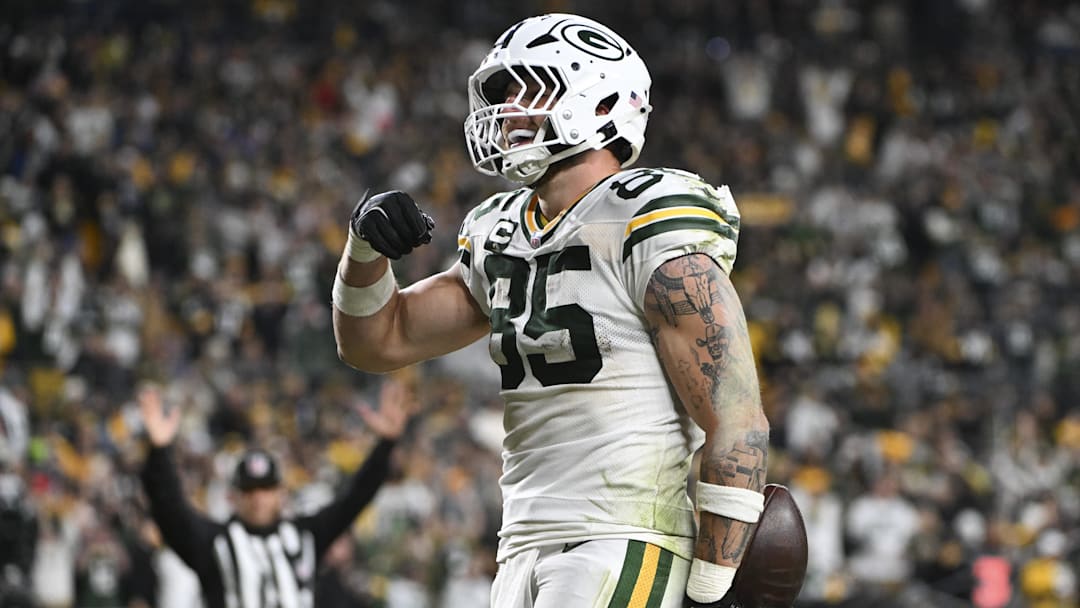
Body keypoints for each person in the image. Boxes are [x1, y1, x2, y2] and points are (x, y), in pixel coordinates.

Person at [332, 13, 769, 608]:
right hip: (522, 546)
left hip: (625, 538)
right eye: (504, 92)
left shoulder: (648, 216)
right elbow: (375, 343)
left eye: (526, 87)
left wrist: (712, 590)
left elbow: (737, 424)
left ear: (595, 97)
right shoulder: (500, 230)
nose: (507, 107)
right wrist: (365, 251)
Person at [137, 379, 413, 608]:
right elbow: (169, 510)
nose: (258, 498)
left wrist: (385, 445)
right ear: (234, 496)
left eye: (266, 489)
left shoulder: (306, 535)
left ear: (280, 493)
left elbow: (354, 498)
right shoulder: (215, 543)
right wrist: (159, 453)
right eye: (249, 490)